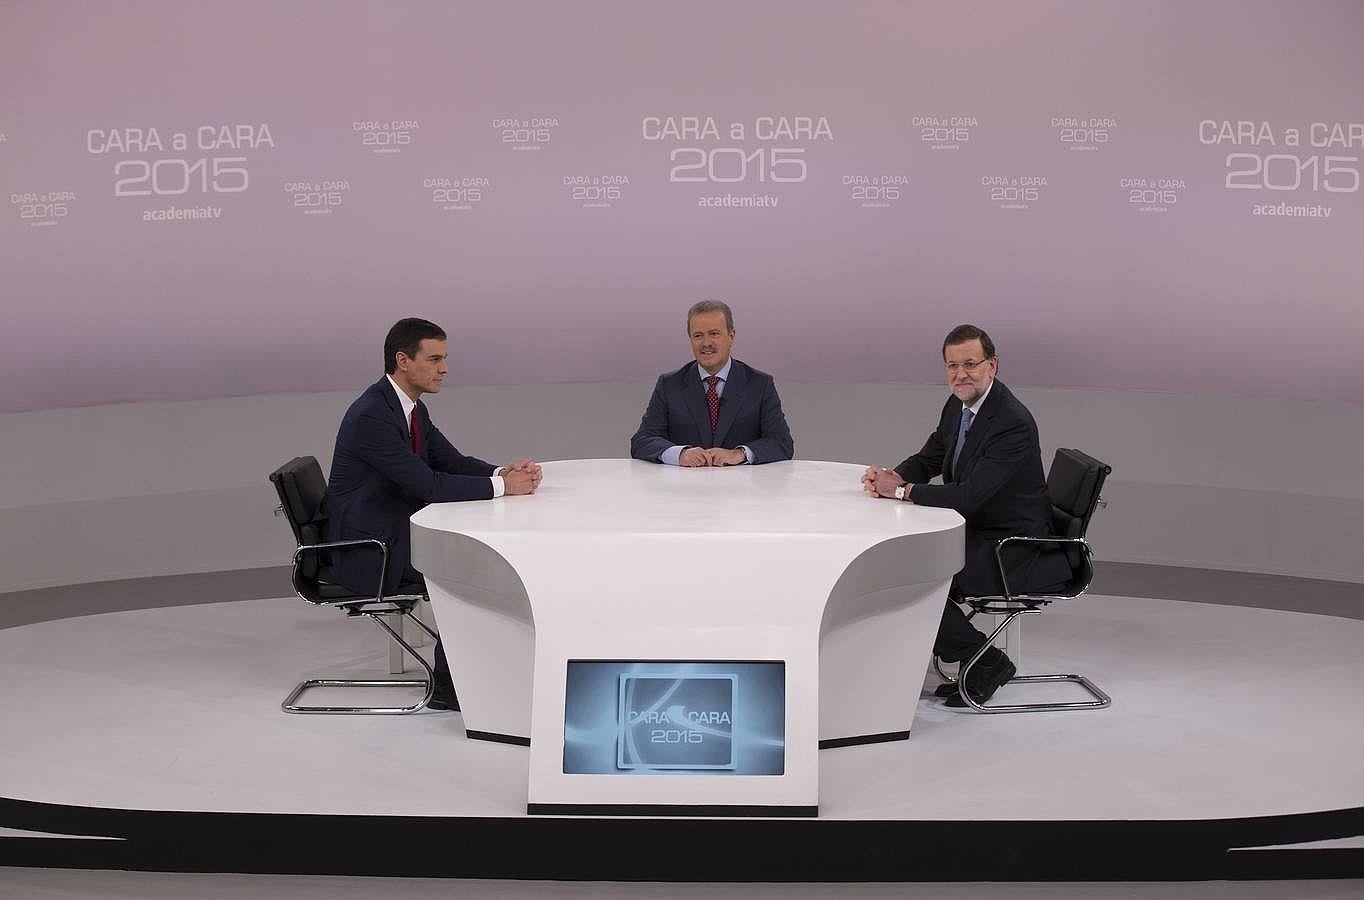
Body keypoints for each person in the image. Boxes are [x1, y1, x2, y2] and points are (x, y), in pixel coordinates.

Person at [323, 318, 542, 711]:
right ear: (403, 360)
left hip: (391, 529)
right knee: (464, 566)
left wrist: (501, 473)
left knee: (470, 557)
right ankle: (448, 685)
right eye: (435, 359)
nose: (444, 369)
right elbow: (427, 485)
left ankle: (465, 672)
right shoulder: (373, 414)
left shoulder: (409, 407)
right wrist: (505, 489)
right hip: (368, 549)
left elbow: (450, 461)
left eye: (445, 359)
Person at [861, 324, 1069, 707]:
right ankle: (978, 658)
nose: (960, 374)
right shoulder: (959, 404)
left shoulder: (1011, 423)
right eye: (952, 366)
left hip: (1014, 547)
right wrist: (895, 476)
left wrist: (903, 493)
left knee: (913, 580)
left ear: (993, 365)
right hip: (982, 533)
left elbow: (970, 497)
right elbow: (930, 457)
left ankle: (986, 662)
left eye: (970, 364)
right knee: (905, 572)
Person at [630, 300, 794, 466]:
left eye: (714, 334)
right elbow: (642, 440)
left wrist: (739, 453)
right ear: (690, 339)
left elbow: (781, 443)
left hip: (743, 489)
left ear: (731, 336)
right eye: (698, 335)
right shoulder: (669, 385)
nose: (706, 343)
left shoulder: (759, 384)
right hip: (685, 488)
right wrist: (680, 454)